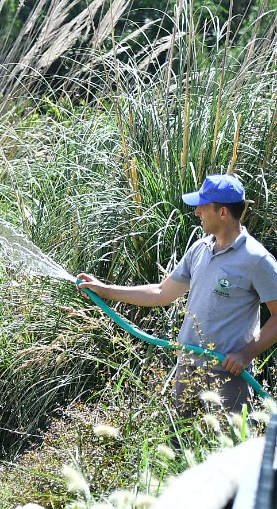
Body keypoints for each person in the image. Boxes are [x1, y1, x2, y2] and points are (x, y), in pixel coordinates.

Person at [77, 173, 277, 415]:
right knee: (180, 447)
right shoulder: (199, 249)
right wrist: (104, 289)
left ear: (222, 212)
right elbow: (161, 293)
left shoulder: (256, 259)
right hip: (188, 366)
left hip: (228, 375)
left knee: (227, 449)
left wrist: (246, 354)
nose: (196, 213)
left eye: (202, 207)